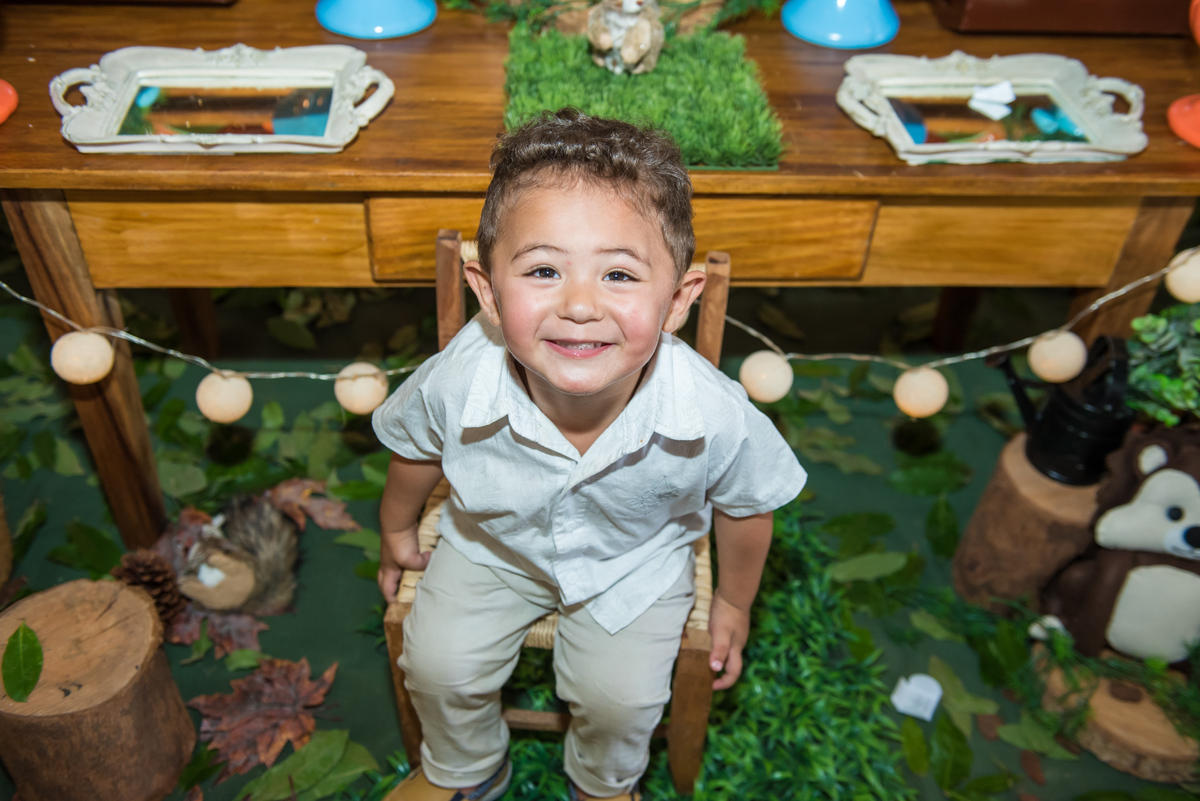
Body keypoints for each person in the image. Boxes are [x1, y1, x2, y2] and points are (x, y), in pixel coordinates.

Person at [373, 108, 806, 801]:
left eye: (621, 276)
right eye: (544, 269)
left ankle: (604, 784)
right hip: (492, 548)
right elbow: (415, 450)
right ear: (487, 291)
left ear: (677, 300)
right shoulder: (460, 377)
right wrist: (397, 528)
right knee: (438, 665)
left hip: (633, 564)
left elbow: (748, 504)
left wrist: (733, 599)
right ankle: (465, 766)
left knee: (623, 699)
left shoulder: (710, 410)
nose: (580, 305)